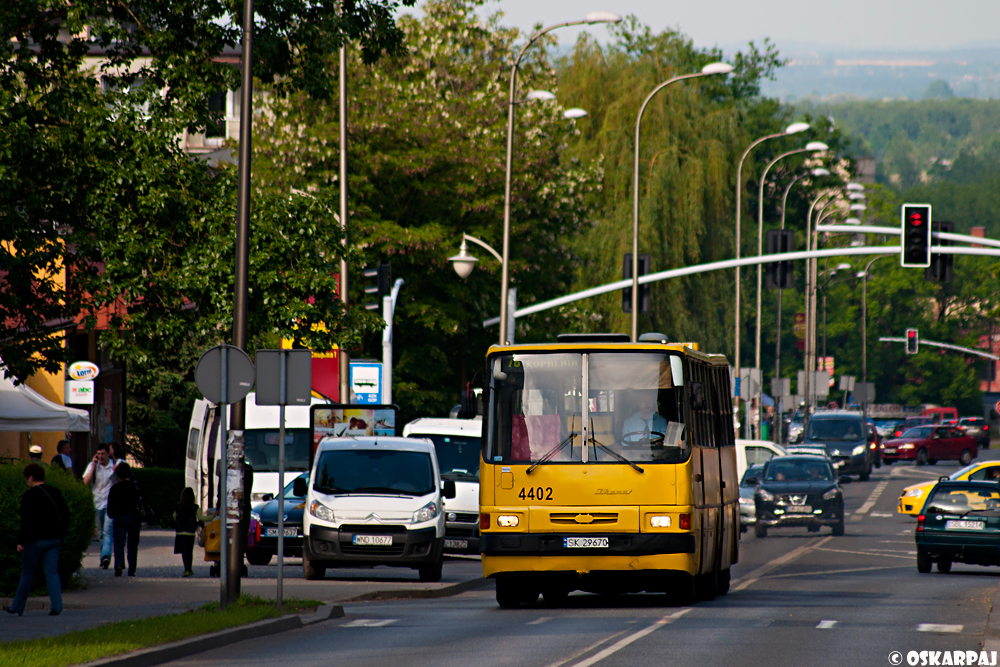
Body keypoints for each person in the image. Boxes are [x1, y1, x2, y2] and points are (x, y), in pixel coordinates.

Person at [8, 464, 69, 616]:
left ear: (31, 477)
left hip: (34, 541)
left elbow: (25, 521)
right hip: (54, 539)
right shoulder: (55, 492)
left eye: (27, 478)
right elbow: (66, 514)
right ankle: (56, 607)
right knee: (52, 573)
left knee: (27, 574)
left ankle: (17, 606)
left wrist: (20, 541)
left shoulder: (28, 496)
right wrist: (61, 533)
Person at [82, 444, 116, 569]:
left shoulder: (114, 466)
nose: (100, 456)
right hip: (96, 502)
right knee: (100, 533)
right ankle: (104, 557)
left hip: (109, 504)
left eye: (103, 453)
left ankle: (105, 555)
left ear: (108, 454)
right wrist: (94, 466)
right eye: (98, 454)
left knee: (107, 531)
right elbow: (85, 482)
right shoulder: (93, 466)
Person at [107, 462, 142, 577]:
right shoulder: (134, 486)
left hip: (119, 516)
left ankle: (119, 564)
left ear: (117, 475)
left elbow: (110, 504)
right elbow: (141, 500)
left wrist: (111, 514)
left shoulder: (115, 488)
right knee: (132, 544)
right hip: (133, 517)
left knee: (119, 542)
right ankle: (132, 569)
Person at [174, 487, 210, 577]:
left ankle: (186, 569)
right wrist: (213, 516)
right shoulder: (195, 507)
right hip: (190, 533)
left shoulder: (178, 507)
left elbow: (174, 516)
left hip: (180, 532)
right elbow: (202, 518)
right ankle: (188, 569)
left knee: (184, 552)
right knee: (189, 551)